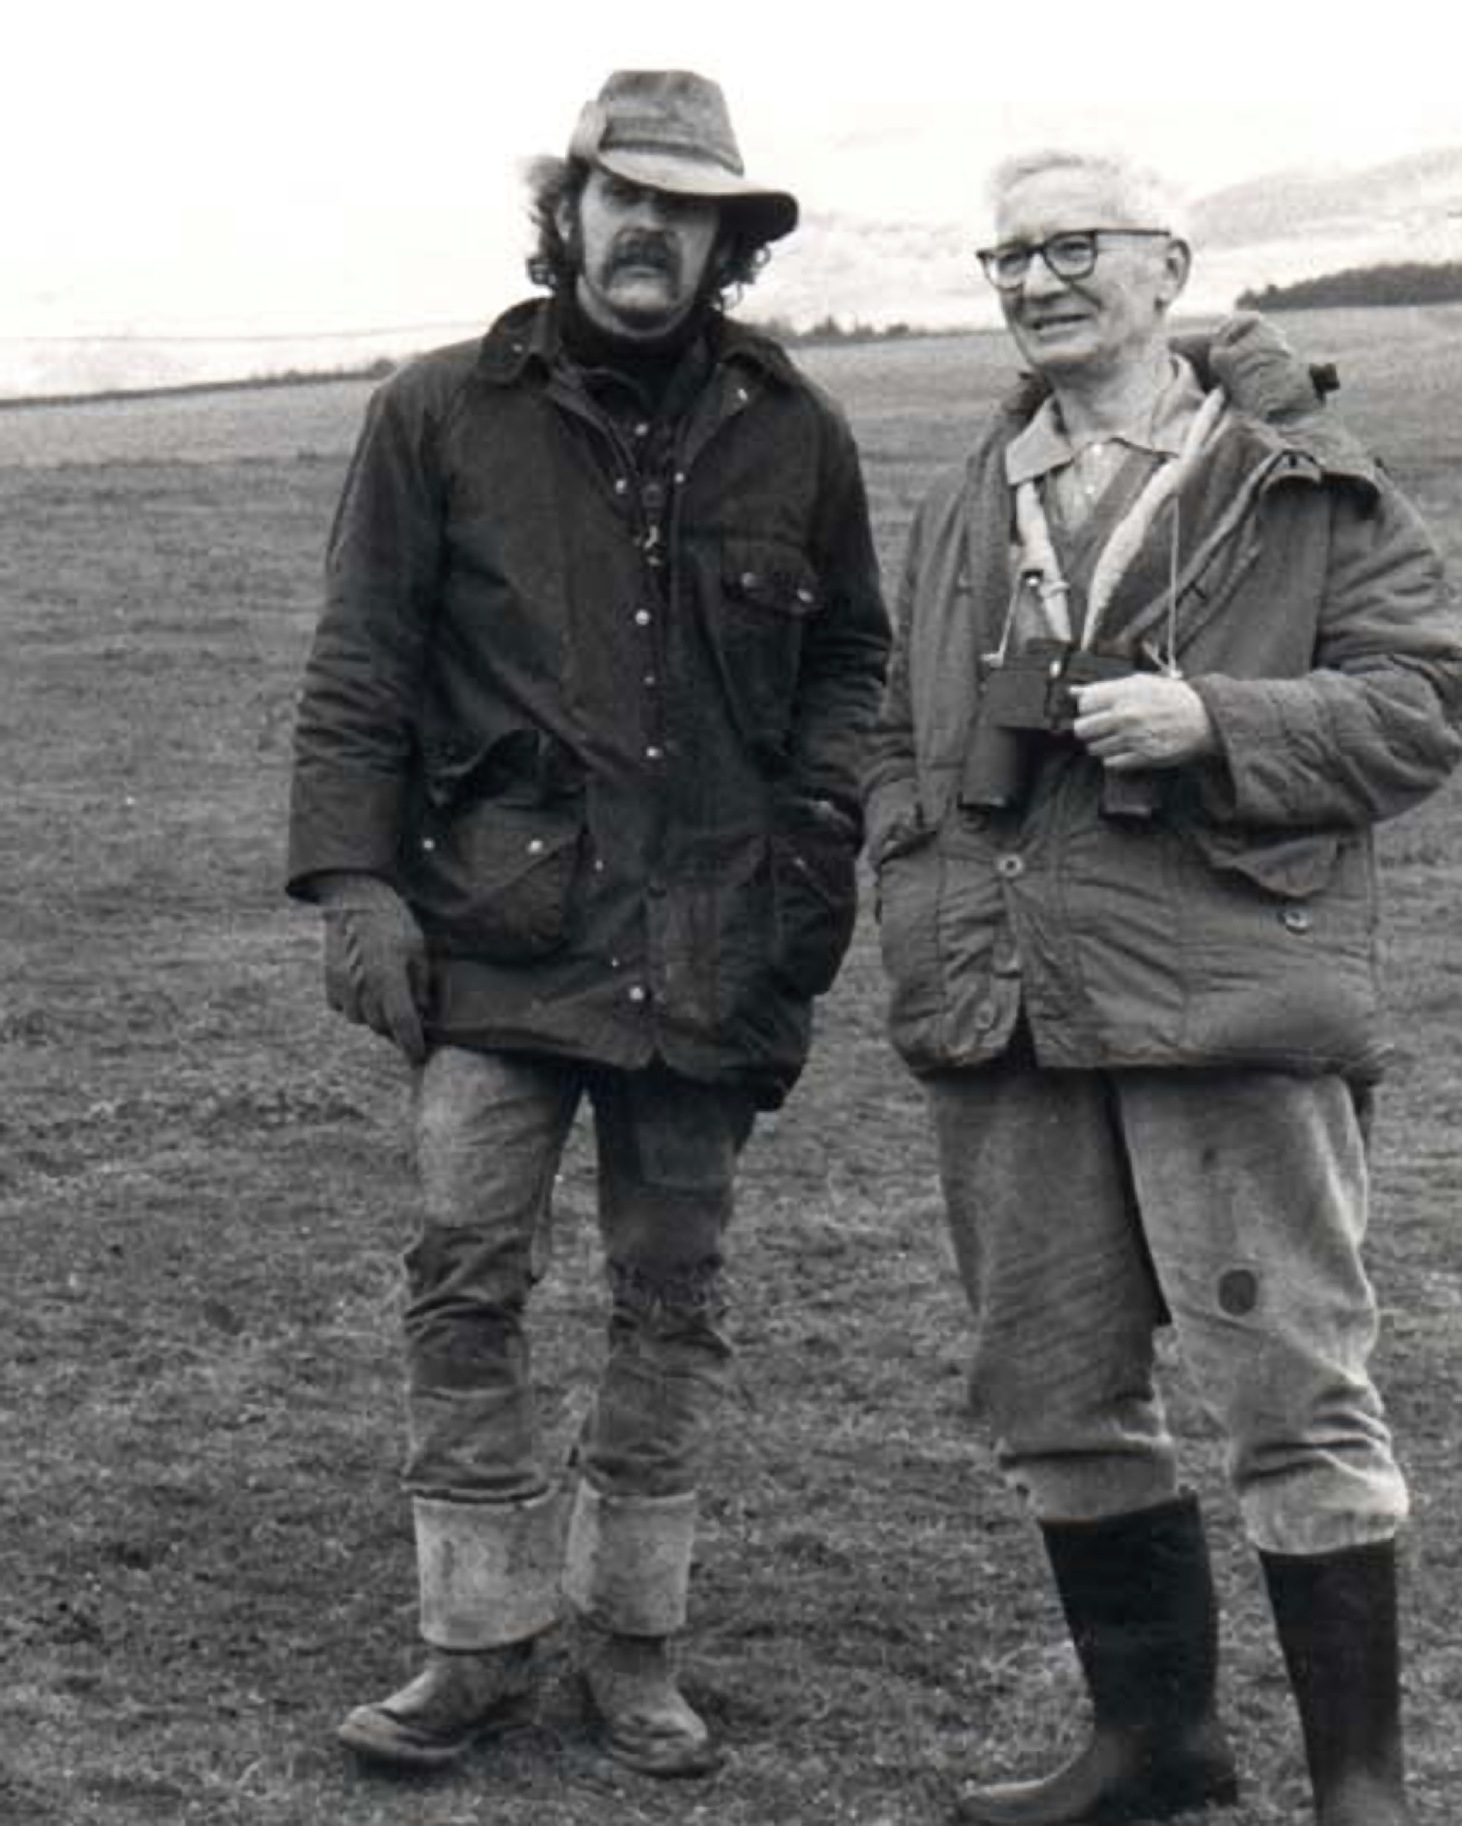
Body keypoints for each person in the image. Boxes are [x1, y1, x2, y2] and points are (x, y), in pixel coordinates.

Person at [286, 69, 887, 1780]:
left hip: (715, 943)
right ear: (570, 211)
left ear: (723, 242)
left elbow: (850, 654)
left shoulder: (799, 429)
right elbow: (359, 666)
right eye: (622, 195)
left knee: (671, 1297)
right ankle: (469, 1640)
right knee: (464, 1277)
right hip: (492, 937)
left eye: (685, 209)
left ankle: (636, 1648)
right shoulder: (435, 412)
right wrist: (351, 883)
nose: (649, 230)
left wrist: (821, 817)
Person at [866, 147, 1462, 1826]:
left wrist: (1223, 725)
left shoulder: (1296, 481)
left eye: (1074, 249)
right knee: (1050, 1386)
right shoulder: (966, 492)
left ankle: (1357, 1785)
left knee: (1290, 1387)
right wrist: (903, 838)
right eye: (1007, 259)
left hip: (1221, 995)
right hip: (1008, 1001)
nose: (1038, 282)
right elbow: (888, 715)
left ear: (1165, 267)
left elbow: (1424, 704)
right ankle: (1154, 1744)